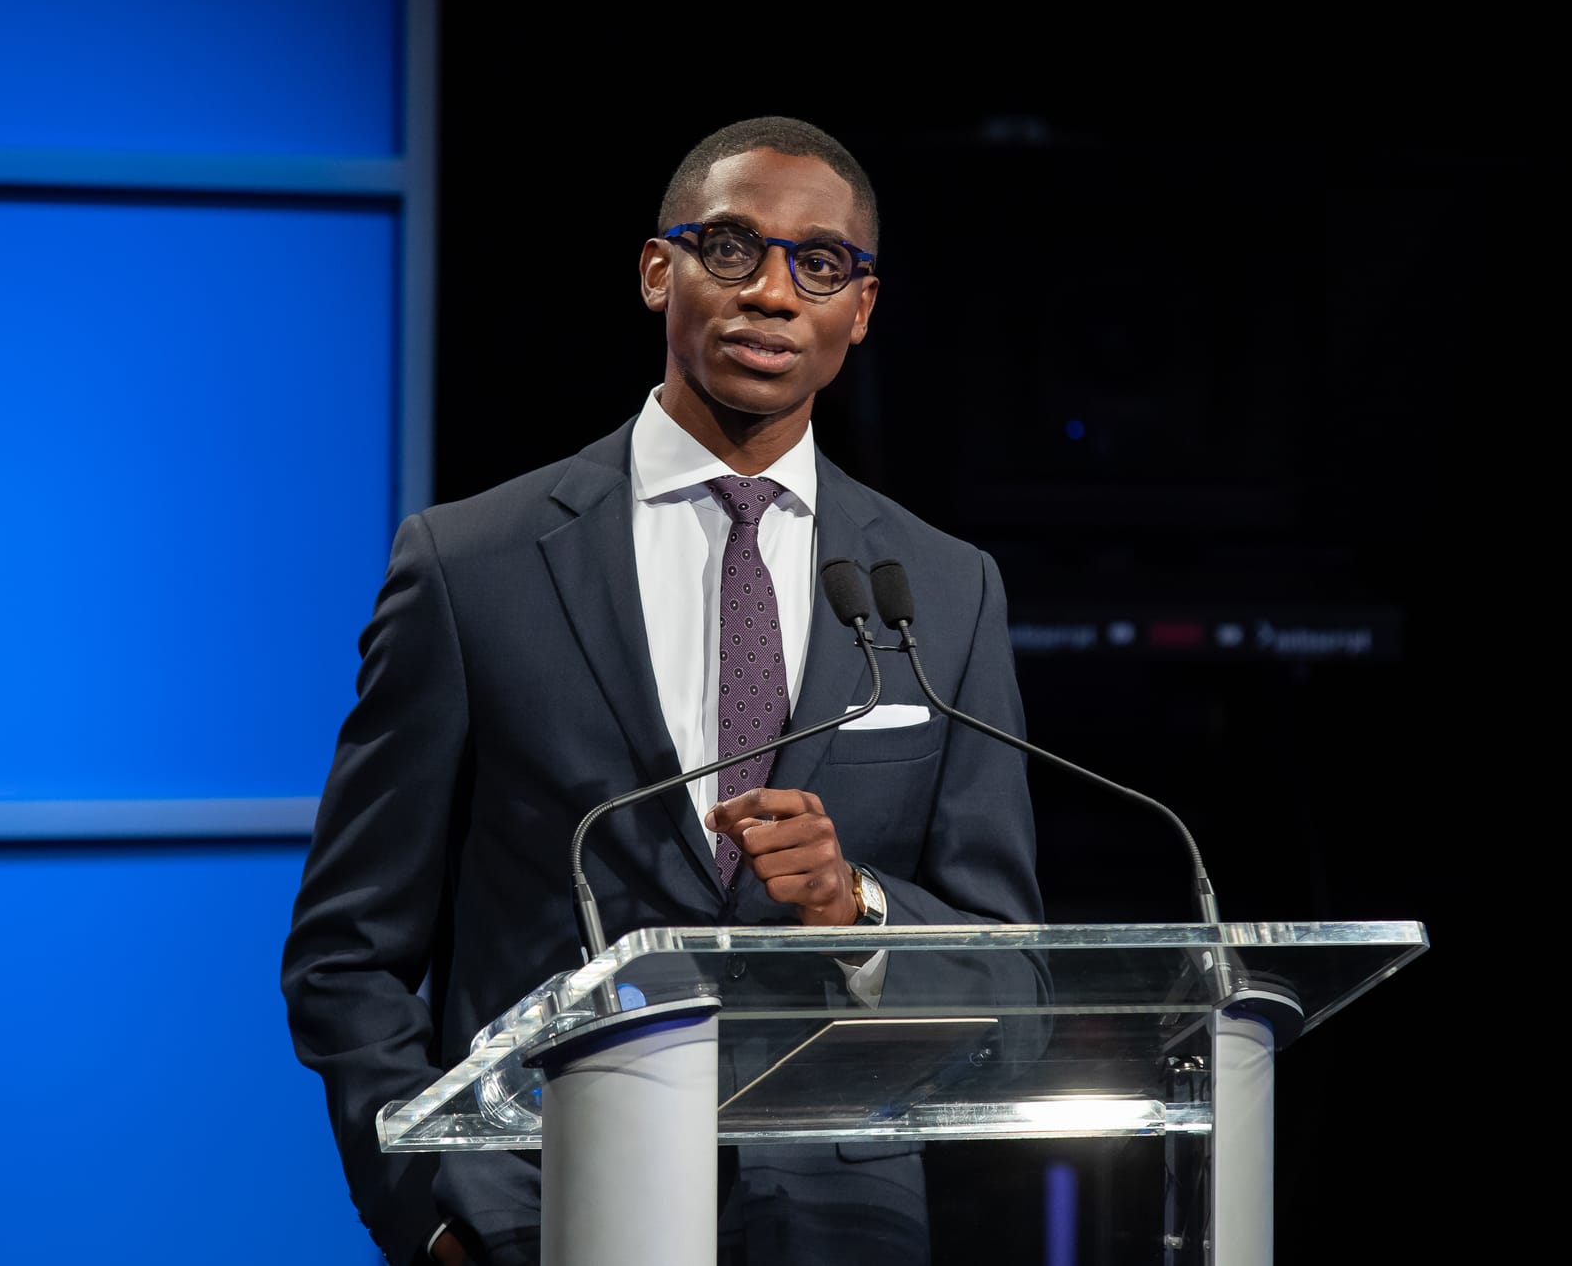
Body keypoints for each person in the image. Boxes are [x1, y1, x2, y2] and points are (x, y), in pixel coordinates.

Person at [281, 115, 1043, 1265]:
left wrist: (858, 912)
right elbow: (346, 953)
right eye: (732, 248)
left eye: (819, 263)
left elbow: (1015, 976)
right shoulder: (469, 566)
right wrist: (433, 1215)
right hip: (548, 1210)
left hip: (840, 1226)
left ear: (861, 310)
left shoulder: (943, 588)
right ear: (657, 271)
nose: (774, 293)